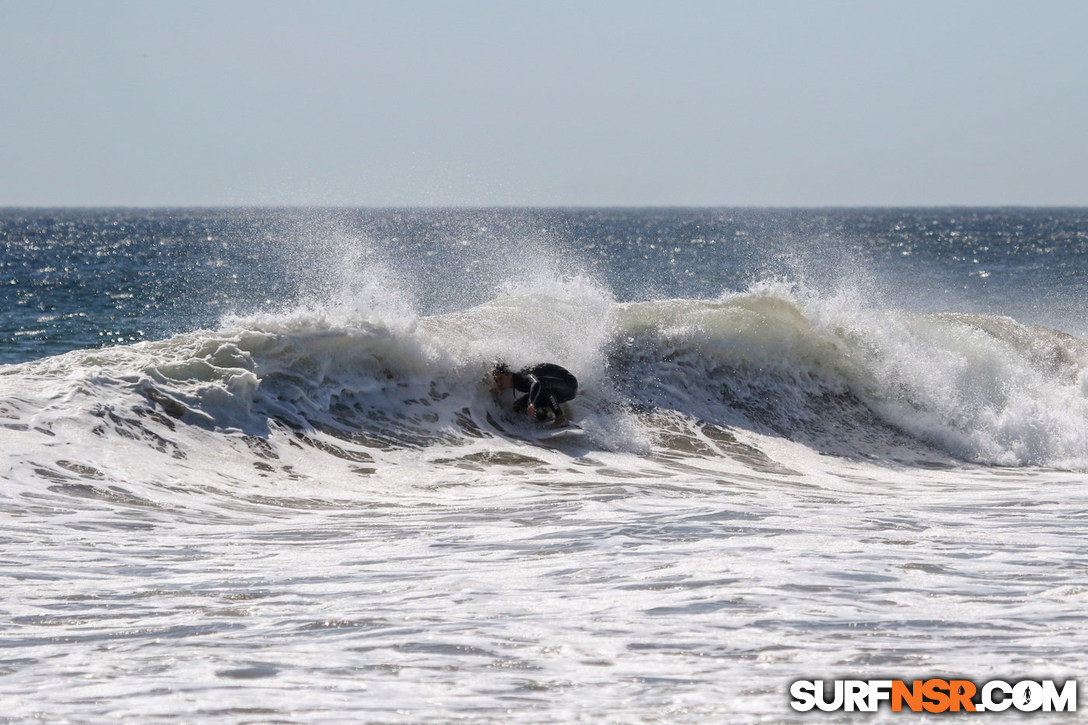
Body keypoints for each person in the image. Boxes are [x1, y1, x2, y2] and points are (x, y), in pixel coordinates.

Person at [491, 362, 578, 428]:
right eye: (496, 380)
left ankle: (561, 418)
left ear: (509, 374)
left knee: (542, 385)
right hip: (557, 390)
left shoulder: (522, 376)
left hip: (569, 384)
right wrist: (498, 391)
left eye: (500, 379)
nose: (499, 383)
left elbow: (536, 383)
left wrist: (531, 403)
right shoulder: (516, 382)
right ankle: (548, 416)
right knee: (518, 406)